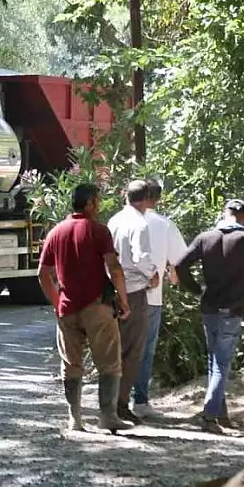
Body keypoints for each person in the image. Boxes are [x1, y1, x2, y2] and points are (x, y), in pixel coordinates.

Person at [173, 199, 244, 433]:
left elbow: (180, 265)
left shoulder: (206, 237)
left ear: (225, 214)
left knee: (215, 361)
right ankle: (210, 416)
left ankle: (220, 415)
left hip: (210, 309)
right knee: (221, 364)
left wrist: (197, 290)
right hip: (231, 311)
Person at [38, 183, 134, 433]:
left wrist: (57, 303)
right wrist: (123, 300)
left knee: (71, 364)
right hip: (97, 307)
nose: (99, 206)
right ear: (90, 202)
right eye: (98, 201)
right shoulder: (98, 231)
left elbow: (43, 273)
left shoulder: (56, 232)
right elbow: (114, 268)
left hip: (67, 309)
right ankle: (107, 417)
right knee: (109, 362)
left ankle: (75, 419)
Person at [132, 179, 188, 418]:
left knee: (124, 348)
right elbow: (180, 262)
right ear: (158, 199)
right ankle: (141, 401)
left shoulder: (118, 221)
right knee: (146, 350)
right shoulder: (165, 225)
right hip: (152, 297)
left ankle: (117, 399)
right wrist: (173, 275)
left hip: (122, 294)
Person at [106, 179, 160, 425]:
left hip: (112, 290)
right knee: (133, 351)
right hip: (134, 291)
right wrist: (153, 273)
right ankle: (120, 404)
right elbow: (140, 257)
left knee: (114, 348)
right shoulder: (140, 224)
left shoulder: (115, 220)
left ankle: (109, 401)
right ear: (148, 199)